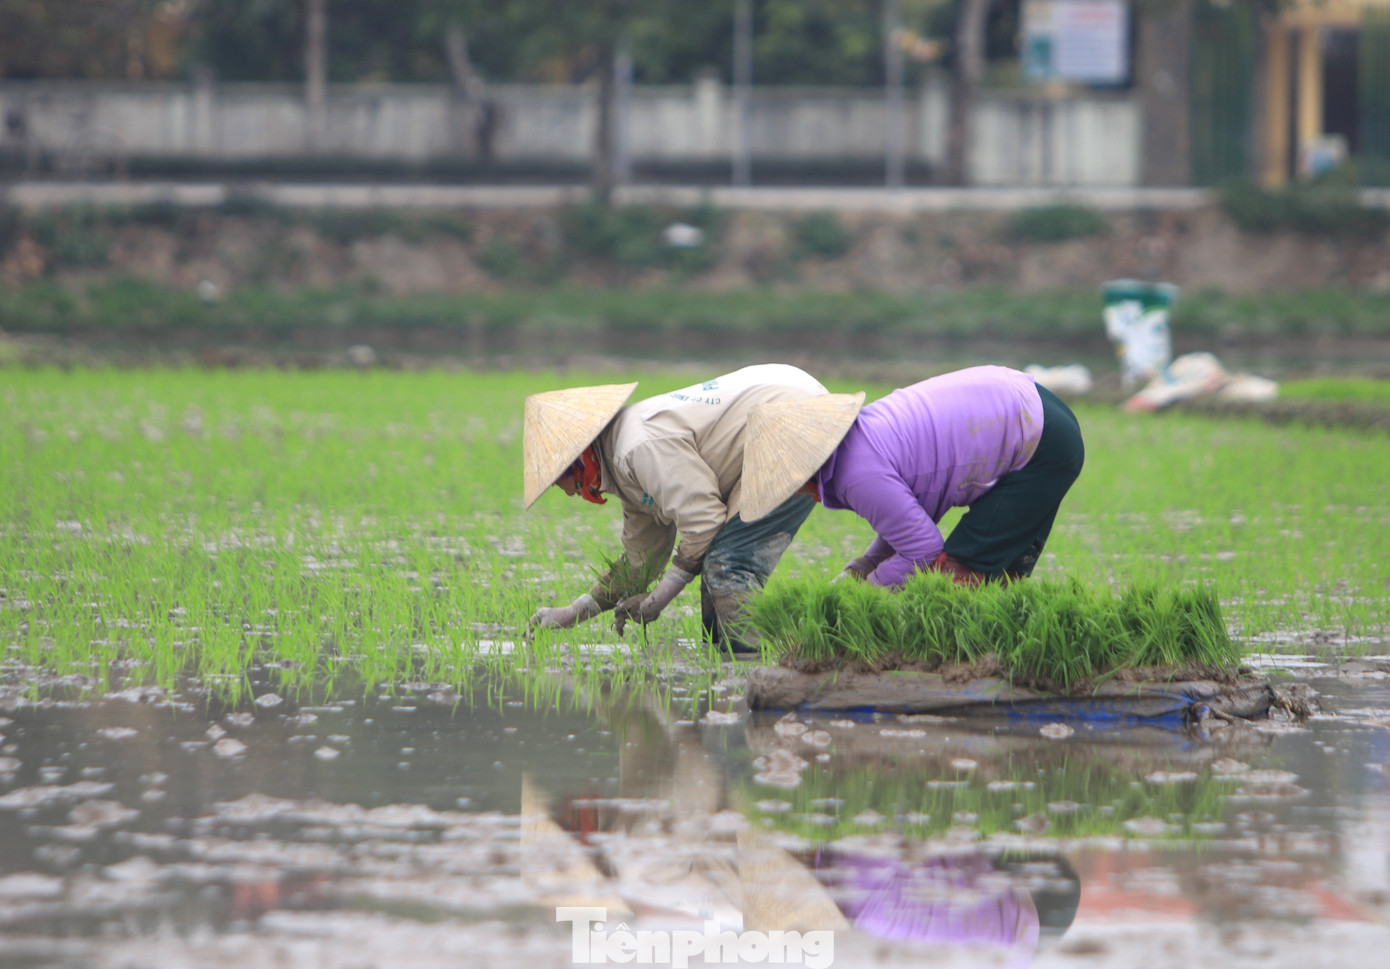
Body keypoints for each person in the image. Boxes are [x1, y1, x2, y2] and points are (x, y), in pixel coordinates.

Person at [522, 364, 864, 651]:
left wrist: (658, 601)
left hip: (793, 422)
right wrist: (574, 612)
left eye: (558, 483)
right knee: (718, 582)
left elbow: (703, 522)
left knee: (728, 566)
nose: (567, 494)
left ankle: (754, 669)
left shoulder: (638, 447)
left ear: (578, 463)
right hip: (787, 408)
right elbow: (643, 559)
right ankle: (730, 672)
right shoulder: (623, 463)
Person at [740, 365, 1084, 587]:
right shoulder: (862, 440)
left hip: (1037, 438)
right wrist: (858, 570)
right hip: (1036, 409)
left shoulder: (855, 475)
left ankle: (962, 676)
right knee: (1000, 574)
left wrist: (860, 598)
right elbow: (906, 529)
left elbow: (922, 551)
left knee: (956, 573)